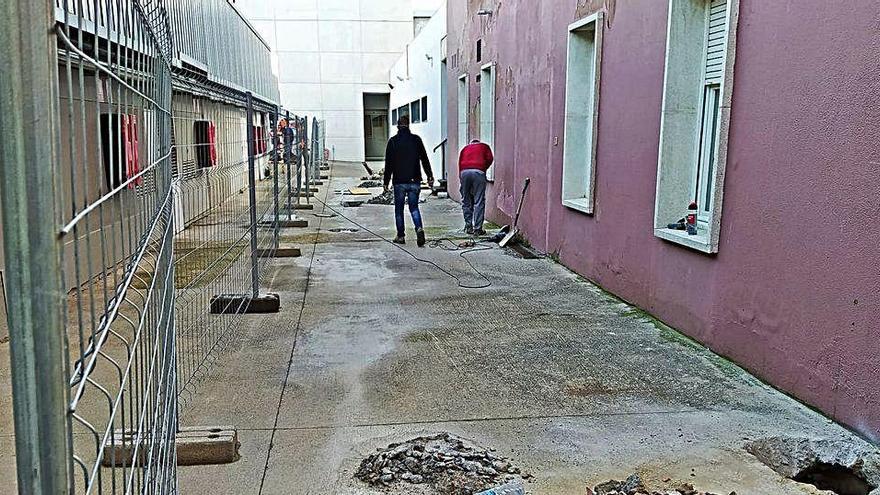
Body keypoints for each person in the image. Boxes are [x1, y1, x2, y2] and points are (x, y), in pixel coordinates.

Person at [383, 115, 434, 247]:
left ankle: (400, 236)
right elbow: (424, 159)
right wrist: (429, 176)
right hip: (414, 180)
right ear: (408, 125)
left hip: (399, 181)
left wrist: (385, 182)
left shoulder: (393, 142)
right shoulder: (416, 140)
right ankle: (419, 228)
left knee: (399, 209)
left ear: (398, 126)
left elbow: (388, 164)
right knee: (414, 207)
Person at [458, 139, 494, 235]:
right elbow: (490, 158)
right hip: (478, 172)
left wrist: (461, 179)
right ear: (478, 142)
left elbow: (460, 163)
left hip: (464, 172)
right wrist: (482, 168)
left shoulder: (465, 148)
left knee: (466, 200)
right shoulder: (485, 146)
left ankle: (468, 226)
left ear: (471, 143)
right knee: (479, 200)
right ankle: (478, 229)